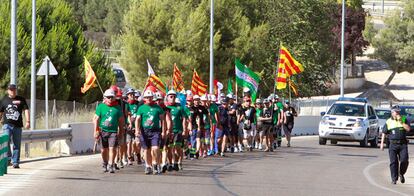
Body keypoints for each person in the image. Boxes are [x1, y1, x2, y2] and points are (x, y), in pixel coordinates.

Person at [93, 89, 125, 173]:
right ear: (105, 98)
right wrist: (96, 131)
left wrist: (121, 131)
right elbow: (96, 119)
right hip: (102, 131)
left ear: (114, 98)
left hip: (113, 132)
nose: (110, 99)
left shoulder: (117, 108)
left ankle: (111, 164)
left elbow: (121, 121)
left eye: (112, 97)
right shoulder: (101, 107)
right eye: (108, 97)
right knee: (103, 150)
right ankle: (105, 163)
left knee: (112, 148)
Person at [135, 90, 165, 175]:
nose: (149, 99)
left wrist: (163, 131)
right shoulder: (141, 108)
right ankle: (148, 166)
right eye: (147, 97)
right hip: (144, 131)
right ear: (144, 98)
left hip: (155, 131)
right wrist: (137, 130)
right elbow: (138, 119)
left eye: (150, 97)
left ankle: (155, 164)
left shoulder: (158, 108)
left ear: (153, 98)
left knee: (155, 148)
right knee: (146, 149)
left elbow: (163, 120)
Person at [0, 84, 30, 168]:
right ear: (8, 90)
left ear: (16, 90)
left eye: (14, 89)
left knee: (17, 144)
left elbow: (26, 110)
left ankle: (15, 162)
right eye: (11, 89)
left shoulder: (21, 99)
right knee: (6, 142)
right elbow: (1, 112)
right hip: (7, 125)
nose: (12, 91)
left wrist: (28, 121)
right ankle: (9, 157)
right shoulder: (4, 100)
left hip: (17, 126)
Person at [380, 105, 411, 184]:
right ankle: (394, 179)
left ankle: (401, 173)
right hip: (393, 144)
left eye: (398, 111)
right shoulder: (388, 121)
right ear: (392, 112)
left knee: (404, 161)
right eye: (396, 112)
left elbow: (408, 129)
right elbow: (384, 132)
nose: (397, 113)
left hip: (402, 144)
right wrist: (382, 143)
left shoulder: (404, 119)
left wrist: (401, 122)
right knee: (393, 162)